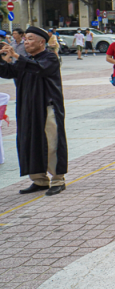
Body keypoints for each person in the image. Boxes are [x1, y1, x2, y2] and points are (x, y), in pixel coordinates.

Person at [0, 27, 68, 196]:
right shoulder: (26, 60)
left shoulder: (50, 58)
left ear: (41, 42)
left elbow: (39, 69)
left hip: (47, 107)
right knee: (30, 142)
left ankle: (58, 179)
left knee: (52, 143)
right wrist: (2, 57)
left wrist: (16, 56)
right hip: (28, 108)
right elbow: (8, 72)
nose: (26, 41)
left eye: (30, 39)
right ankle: (39, 180)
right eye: (25, 39)